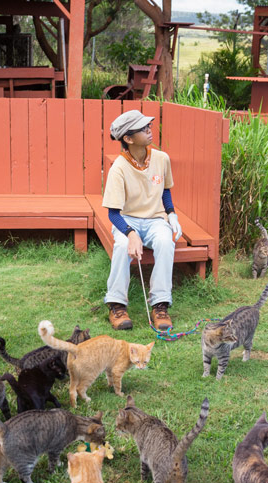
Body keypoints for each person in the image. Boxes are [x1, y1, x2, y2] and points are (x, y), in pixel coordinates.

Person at [102, 110, 183, 331]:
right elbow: (113, 213)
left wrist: (172, 213)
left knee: (166, 242)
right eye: (143, 128)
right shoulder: (118, 168)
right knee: (121, 247)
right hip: (127, 220)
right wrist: (130, 234)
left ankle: (160, 304)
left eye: (149, 126)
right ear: (128, 139)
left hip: (156, 219)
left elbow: (165, 190)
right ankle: (116, 304)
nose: (149, 130)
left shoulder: (161, 158)